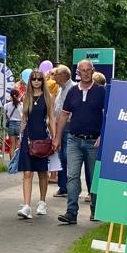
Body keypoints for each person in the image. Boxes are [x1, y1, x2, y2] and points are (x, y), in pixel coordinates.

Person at [55, 59, 106, 225]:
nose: (85, 73)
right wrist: (57, 137)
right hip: (74, 139)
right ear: (77, 72)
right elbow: (63, 115)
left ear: (92, 71)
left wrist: (102, 136)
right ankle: (71, 212)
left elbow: (107, 116)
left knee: (93, 177)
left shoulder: (101, 92)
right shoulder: (72, 92)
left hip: (93, 141)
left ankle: (96, 209)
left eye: (88, 70)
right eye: (82, 70)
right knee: (72, 176)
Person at [16, 70, 55, 218]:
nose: (37, 81)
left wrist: (55, 138)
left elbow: (51, 118)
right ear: (30, 81)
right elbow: (24, 119)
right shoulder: (26, 97)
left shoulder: (48, 97)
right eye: (34, 79)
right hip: (28, 137)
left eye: (39, 79)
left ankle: (42, 202)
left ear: (43, 81)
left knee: (42, 172)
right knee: (27, 172)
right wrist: (20, 137)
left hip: (42, 138)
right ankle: (26, 205)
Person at [49, 64, 73, 196]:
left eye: (56, 74)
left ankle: (70, 186)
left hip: (69, 126)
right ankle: (63, 187)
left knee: (66, 155)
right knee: (60, 156)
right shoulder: (60, 89)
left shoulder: (73, 88)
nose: (54, 76)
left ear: (64, 75)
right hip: (59, 125)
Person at [3, 86, 22, 161]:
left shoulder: (6, 105)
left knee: (12, 146)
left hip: (11, 125)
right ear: (19, 96)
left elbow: (4, 115)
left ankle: (11, 163)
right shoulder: (21, 105)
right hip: (19, 125)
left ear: (10, 96)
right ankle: (18, 163)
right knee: (19, 145)